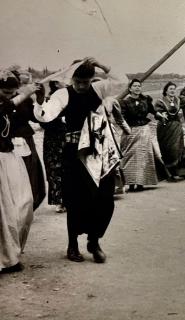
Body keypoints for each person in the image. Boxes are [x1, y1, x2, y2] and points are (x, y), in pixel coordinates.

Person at [34, 58, 125, 263]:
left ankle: (94, 241)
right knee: (75, 200)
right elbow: (45, 116)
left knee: (104, 198)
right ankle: (72, 245)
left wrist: (102, 64)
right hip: (74, 153)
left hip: (99, 152)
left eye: (86, 81)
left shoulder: (100, 88)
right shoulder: (63, 94)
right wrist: (40, 100)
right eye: (79, 82)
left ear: (92, 79)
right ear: (72, 79)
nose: (83, 86)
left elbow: (122, 81)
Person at [0, 70, 38, 273]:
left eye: (10, 92)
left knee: (25, 203)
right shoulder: (6, 104)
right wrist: (23, 93)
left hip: (10, 157)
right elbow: (6, 106)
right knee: (3, 212)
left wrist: (29, 95)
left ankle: (13, 251)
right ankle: (8, 258)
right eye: (4, 92)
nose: (7, 95)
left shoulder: (10, 105)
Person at [117, 79, 169, 192]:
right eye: (134, 86)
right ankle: (131, 183)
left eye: (139, 86)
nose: (137, 88)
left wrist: (161, 116)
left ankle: (141, 183)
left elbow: (153, 112)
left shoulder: (146, 100)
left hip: (144, 130)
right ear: (130, 88)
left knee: (143, 156)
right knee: (129, 156)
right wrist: (126, 129)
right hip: (130, 131)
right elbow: (122, 118)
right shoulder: (124, 102)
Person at [10, 72, 46, 210]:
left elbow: (36, 117)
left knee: (30, 175)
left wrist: (40, 99)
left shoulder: (25, 100)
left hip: (25, 141)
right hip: (5, 145)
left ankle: (26, 208)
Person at [155, 82, 185, 181]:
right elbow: (156, 113)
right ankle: (170, 174)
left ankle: (184, 171)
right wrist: (161, 115)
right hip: (165, 128)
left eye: (174, 88)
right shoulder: (160, 101)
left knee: (178, 148)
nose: (173, 90)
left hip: (176, 127)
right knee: (167, 150)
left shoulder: (178, 100)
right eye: (170, 89)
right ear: (166, 91)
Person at [41, 80, 67, 213]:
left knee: (69, 168)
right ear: (57, 84)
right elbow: (43, 122)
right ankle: (59, 201)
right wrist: (60, 120)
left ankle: (69, 199)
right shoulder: (48, 100)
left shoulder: (70, 96)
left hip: (69, 137)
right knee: (55, 169)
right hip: (53, 140)